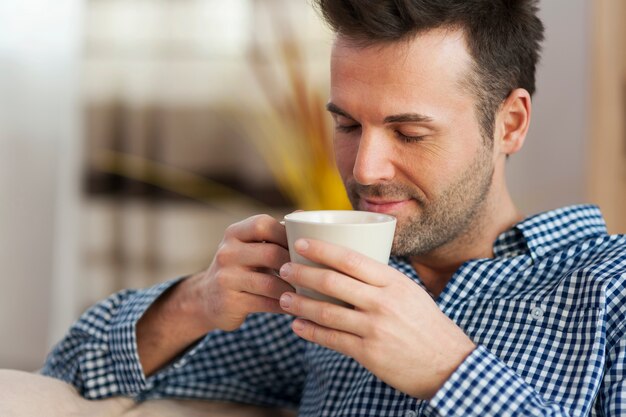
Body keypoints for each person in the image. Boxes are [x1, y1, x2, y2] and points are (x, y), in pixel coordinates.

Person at [33, 0, 626, 416]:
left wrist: (450, 372)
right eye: (346, 124)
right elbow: (68, 379)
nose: (364, 169)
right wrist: (200, 300)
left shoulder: (609, 287)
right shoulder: (331, 296)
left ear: (511, 123)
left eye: (411, 133)